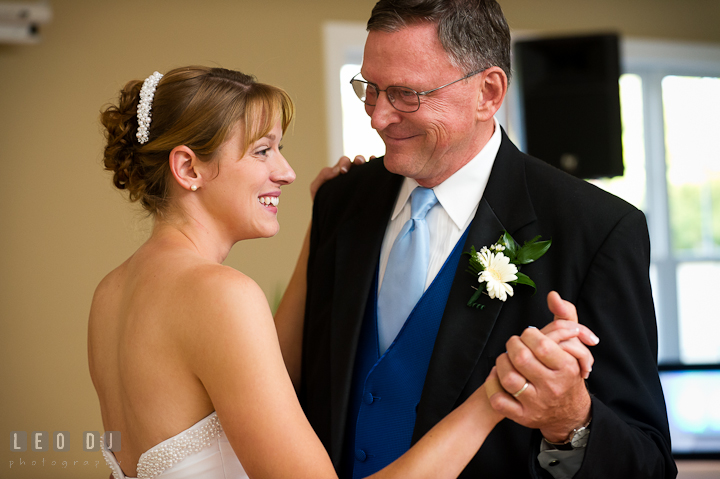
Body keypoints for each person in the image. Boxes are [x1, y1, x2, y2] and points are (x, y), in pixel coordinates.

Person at [90, 65, 591, 479]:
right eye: (263, 151)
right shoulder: (219, 294)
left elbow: (266, 375)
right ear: (188, 168)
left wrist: (323, 223)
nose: (285, 171)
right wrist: (493, 397)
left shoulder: (113, 292)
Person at [299, 1, 677, 478]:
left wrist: (572, 422)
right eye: (369, 90)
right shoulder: (340, 200)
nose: (377, 117)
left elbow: (651, 465)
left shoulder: (596, 229)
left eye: (404, 94)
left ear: (488, 92)